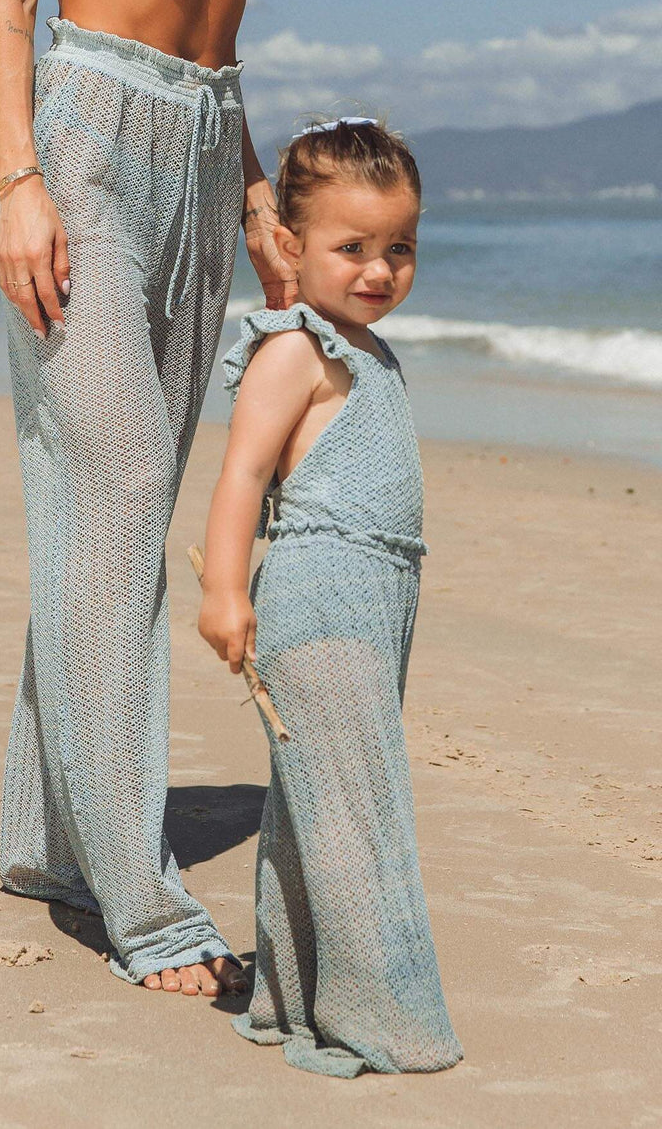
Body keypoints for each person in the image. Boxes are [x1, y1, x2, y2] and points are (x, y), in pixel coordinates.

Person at [0, 0, 346, 996]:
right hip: (80, 147)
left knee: (104, 502)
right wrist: (19, 183)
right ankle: (136, 896)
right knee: (126, 481)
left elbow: (216, 35)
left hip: (202, 162)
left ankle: (46, 831)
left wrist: (255, 179)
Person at [199, 116, 465, 1075]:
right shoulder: (295, 351)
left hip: (377, 600)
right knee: (354, 809)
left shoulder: (368, 352)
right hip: (317, 598)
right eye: (351, 248)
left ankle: (300, 992)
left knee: (319, 804)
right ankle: (377, 1012)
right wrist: (227, 589)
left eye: (400, 247)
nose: (379, 269)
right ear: (288, 245)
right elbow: (239, 477)